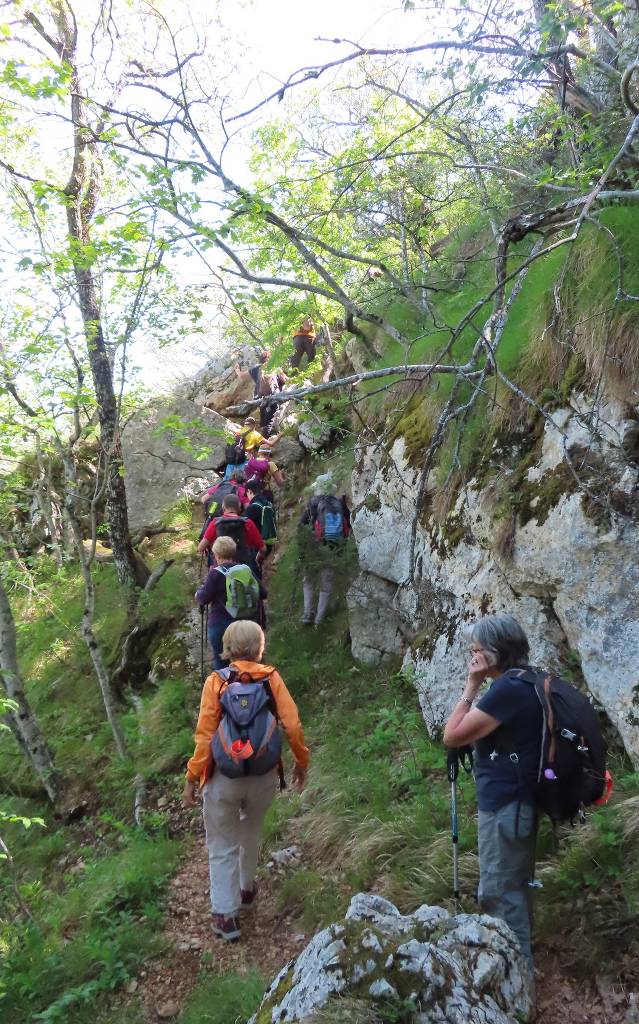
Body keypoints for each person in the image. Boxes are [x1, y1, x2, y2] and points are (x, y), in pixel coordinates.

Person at [182, 620, 309, 941]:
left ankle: (225, 916)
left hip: (223, 777)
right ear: (259, 647)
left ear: (227, 648)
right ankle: (247, 889)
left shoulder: (216, 682)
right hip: (263, 774)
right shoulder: (272, 678)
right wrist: (301, 763)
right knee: (250, 831)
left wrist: (192, 777)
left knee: (222, 843)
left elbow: (205, 736)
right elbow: (292, 726)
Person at [442, 613, 544, 967]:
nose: (472, 654)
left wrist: (472, 684)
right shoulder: (527, 680)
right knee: (516, 886)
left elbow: (452, 735)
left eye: (477, 649)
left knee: (500, 893)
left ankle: (519, 981)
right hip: (520, 805)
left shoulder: (506, 690)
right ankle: (522, 965)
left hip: (505, 807)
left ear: (496, 652)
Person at [195, 536, 266, 669]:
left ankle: (224, 687)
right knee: (247, 663)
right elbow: (263, 593)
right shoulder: (245, 569)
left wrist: (197, 594)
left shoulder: (215, 574)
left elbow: (203, 598)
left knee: (221, 662)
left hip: (221, 625)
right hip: (246, 624)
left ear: (216, 555)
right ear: (233, 553)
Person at [298, 482, 350, 627]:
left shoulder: (313, 504)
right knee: (326, 585)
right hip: (332, 550)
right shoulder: (339, 504)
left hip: (313, 551)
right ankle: (319, 621)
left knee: (308, 580)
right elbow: (348, 527)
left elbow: (301, 528)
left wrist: (302, 554)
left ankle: (308, 613)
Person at [198, 493, 266, 572]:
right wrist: (259, 557)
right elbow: (263, 548)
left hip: (221, 569)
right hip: (244, 568)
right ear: (240, 508)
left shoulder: (215, 523)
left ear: (223, 507)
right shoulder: (248, 522)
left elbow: (201, 547)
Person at [234, 351, 287, 438]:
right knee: (269, 422)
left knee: (264, 421)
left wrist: (237, 370)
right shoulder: (276, 368)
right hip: (274, 396)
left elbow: (242, 377)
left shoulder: (256, 368)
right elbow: (285, 380)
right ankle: (264, 444)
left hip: (260, 398)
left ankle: (261, 439)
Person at [245, 479, 277, 557]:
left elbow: (247, 529)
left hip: (258, 547)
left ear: (249, 491)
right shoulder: (269, 503)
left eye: (246, 493)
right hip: (271, 541)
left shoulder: (252, 508)